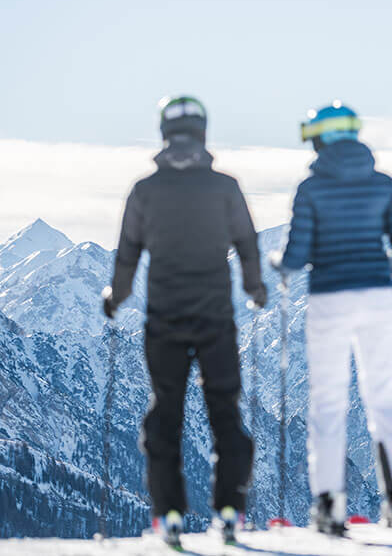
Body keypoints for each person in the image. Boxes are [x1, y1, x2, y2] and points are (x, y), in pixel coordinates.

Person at [102, 95, 266, 548]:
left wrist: (116, 297)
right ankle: (230, 509)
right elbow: (248, 244)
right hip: (215, 317)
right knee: (225, 412)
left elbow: (128, 252)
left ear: (163, 133)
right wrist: (255, 290)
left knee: (165, 415)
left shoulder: (144, 191)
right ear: (203, 132)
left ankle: (169, 513)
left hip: (165, 319)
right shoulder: (226, 187)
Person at [271, 100, 392, 535]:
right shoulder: (384, 185)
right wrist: (380, 269)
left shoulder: (310, 189)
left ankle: (330, 509)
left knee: (328, 403)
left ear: (320, 138)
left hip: (329, 300)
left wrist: (278, 261)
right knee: (385, 399)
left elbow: (295, 257)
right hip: (378, 298)